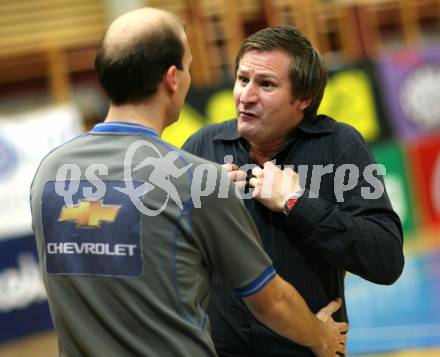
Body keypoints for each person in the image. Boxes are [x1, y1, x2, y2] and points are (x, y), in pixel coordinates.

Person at [30, 9, 348, 357]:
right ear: (172, 78)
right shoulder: (197, 180)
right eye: (189, 65)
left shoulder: (50, 173)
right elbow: (270, 302)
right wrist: (321, 336)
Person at [183, 25, 405, 356]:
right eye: (243, 80)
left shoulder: (339, 147)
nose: (246, 95)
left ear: (304, 98)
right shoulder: (203, 146)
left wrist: (296, 203)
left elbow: (385, 260)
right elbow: (161, 246)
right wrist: (196, 205)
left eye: (266, 84)